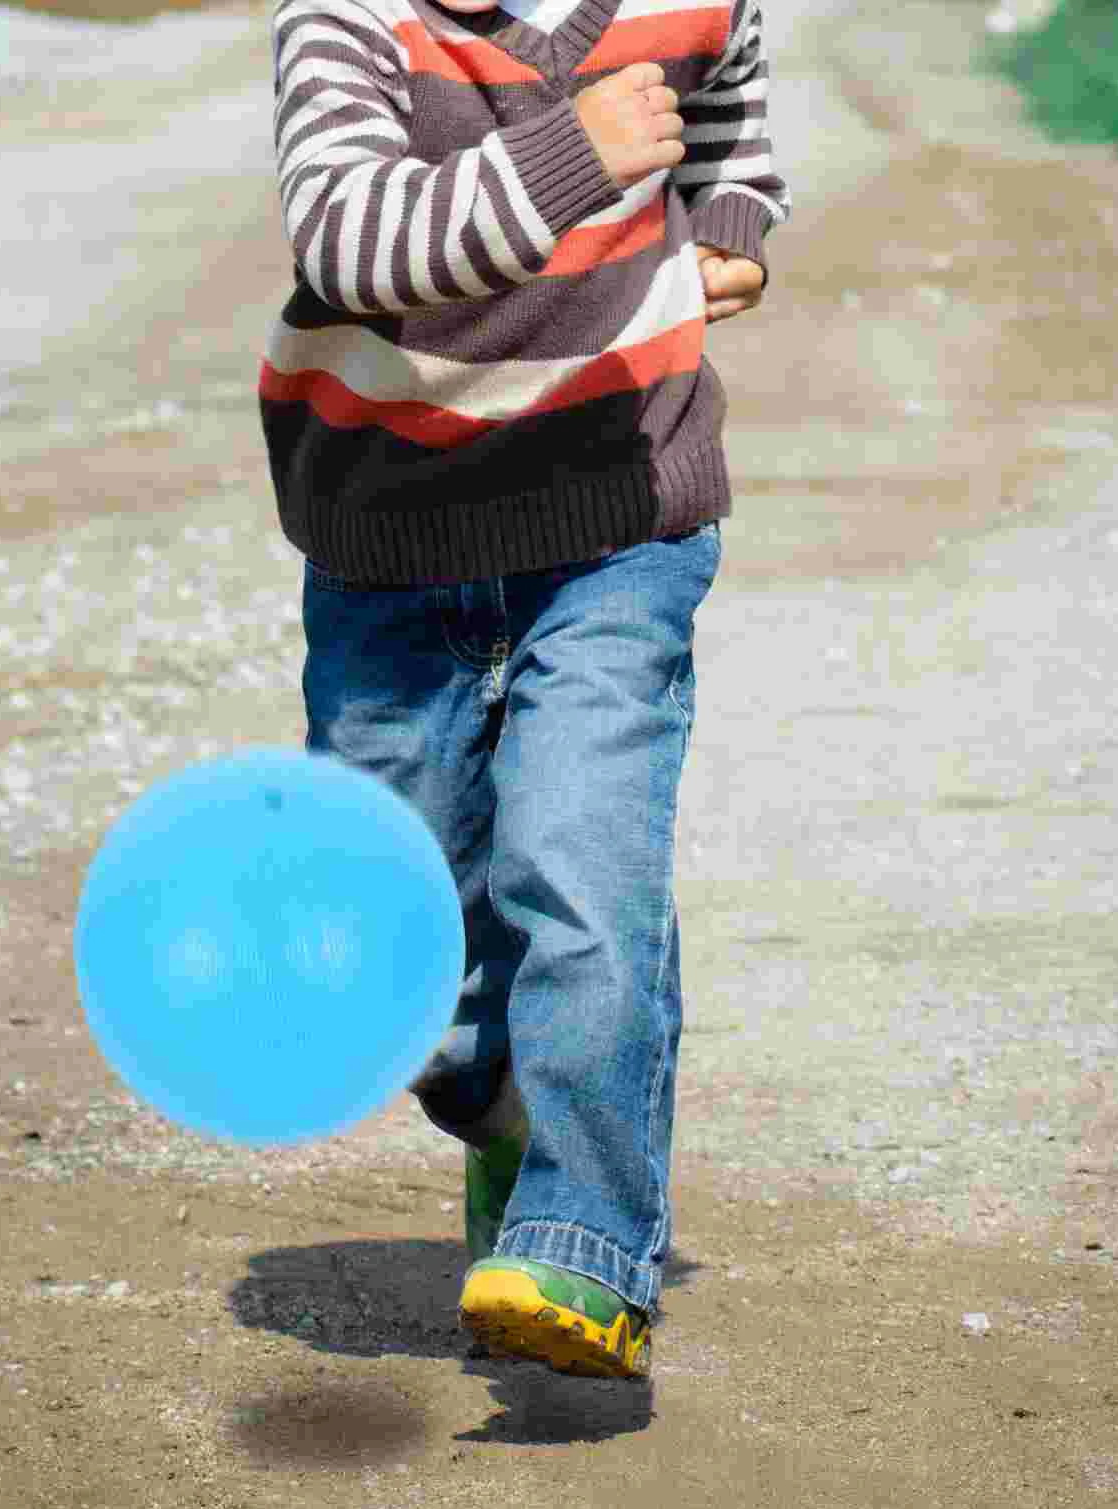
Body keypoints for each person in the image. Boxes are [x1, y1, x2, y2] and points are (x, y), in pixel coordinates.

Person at [260, 0, 789, 1378]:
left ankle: (586, 1240)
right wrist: (578, 154)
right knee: (403, 951)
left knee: (583, 872)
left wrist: (729, 224)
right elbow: (347, 241)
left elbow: (725, 98)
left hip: (619, 517)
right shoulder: (351, 17)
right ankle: (510, 1115)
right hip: (397, 542)